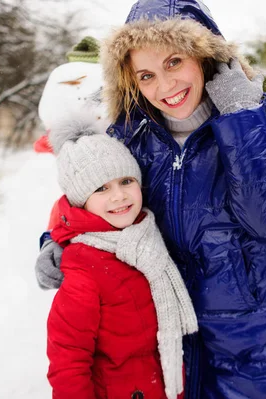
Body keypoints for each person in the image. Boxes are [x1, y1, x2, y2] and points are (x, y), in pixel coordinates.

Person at [36, 1, 266, 397]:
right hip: (174, 346)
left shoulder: (263, 115)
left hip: (262, 352)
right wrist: (57, 239)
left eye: (174, 62)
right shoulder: (132, 134)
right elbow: (95, 196)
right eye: (147, 75)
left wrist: (239, 114)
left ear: (206, 55)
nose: (165, 87)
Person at [42, 75, 198, 399]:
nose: (119, 196)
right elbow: (68, 361)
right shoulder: (84, 269)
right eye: (101, 188)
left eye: (126, 181)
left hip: (166, 386)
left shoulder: (147, 237)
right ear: (81, 199)